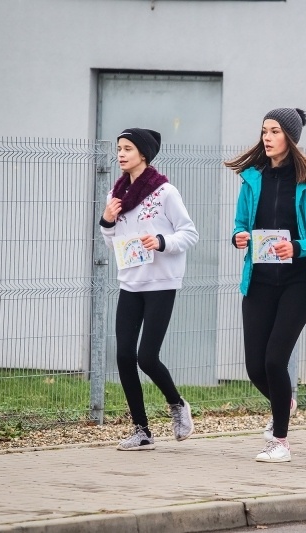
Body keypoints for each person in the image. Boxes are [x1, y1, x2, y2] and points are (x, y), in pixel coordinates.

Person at [226, 108, 306, 463]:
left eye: (274, 131)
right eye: (264, 131)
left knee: (276, 361)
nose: (267, 138)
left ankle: (280, 441)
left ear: (290, 138)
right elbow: (240, 224)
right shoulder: (251, 179)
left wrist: (299, 247)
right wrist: (238, 236)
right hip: (259, 280)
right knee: (255, 367)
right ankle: (283, 402)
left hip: (298, 282)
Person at [100, 128, 199, 450]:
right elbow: (112, 243)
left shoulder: (165, 191)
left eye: (127, 148)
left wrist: (160, 241)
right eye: (118, 148)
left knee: (146, 356)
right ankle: (141, 430)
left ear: (143, 153)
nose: (121, 154)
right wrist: (107, 221)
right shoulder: (115, 196)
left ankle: (177, 404)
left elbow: (189, 233)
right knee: (125, 355)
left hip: (161, 282)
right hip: (130, 282)